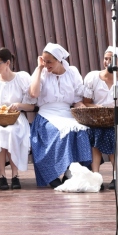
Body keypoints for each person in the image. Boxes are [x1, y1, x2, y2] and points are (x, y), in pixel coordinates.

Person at [28, 43, 91, 188]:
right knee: (59, 133)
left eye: (49, 61)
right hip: (46, 114)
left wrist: (82, 108)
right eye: (44, 60)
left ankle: (71, 172)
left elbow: (76, 100)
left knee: (80, 131)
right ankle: (51, 175)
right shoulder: (42, 73)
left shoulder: (72, 72)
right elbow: (33, 94)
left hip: (66, 113)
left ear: (59, 60)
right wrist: (39, 68)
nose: (46, 64)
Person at [0, 48, 35, 190]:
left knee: (12, 131)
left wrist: (18, 105)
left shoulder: (22, 78)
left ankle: (15, 175)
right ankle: (2, 175)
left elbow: (31, 106)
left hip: (16, 117)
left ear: (7, 63)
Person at [78, 47, 118, 183]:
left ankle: (117, 176)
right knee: (96, 133)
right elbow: (86, 103)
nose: (108, 61)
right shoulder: (92, 77)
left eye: (112, 59)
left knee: (112, 134)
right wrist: (99, 108)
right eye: (106, 58)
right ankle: (96, 176)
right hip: (96, 117)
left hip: (117, 117)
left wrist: (117, 112)